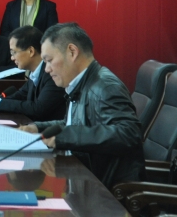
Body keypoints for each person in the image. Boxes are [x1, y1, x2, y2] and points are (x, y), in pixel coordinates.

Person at [19, 23, 145, 188]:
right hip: (83, 179)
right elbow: (74, 124)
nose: (47, 69)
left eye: (49, 61)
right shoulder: (81, 83)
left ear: (72, 52)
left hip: (105, 191)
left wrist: (66, 136)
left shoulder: (105, 87)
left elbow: (129, 134)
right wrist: (37, 128)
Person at [0, 26, 66, 121]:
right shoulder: (35, 72)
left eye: (14, 52)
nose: (12, 58)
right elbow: (21, 95)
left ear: (31, 51)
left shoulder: (52, 73)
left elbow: (38, 108)